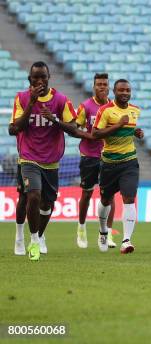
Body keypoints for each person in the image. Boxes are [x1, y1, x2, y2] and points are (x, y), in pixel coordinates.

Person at [10, 61, 78, 261]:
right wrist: (31, 103)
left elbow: (73, 129)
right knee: (31, 196)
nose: (39, 80)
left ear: (49, 78)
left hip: (51, 160)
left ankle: (39, 235)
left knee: (47, 204)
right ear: (29, 79)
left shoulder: (61, 100)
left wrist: (55, 120)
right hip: (28, 157)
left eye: (43, 77)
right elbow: (14, 129)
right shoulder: (22, 98)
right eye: (35, 77)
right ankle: (25, 239)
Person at [93, 79, 143, 254]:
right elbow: (95, 134)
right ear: (114, 91)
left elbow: (129, 130)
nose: (125, 93)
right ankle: (103, 231)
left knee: (129, 198)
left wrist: (136, 132)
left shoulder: (135, 110)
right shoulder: (105, 111)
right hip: (109, 163)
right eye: (121, 90)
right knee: (105, 200)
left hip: (129, 161)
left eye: (128, 90)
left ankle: (126, 240)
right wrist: (118, 125)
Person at [75, 73, 116, 249]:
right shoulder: (85, 106)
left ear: (108, 87)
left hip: (109, 155)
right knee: (87, 193)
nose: (102, 87)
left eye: (105, 84)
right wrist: (89, 135)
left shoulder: (114, 107)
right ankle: (81, 228)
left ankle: (108, 233)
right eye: (99, 84)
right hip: (89, 156)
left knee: (110, 195)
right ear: (94, 86)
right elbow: (74, 129)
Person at [8, 123, 27, 256]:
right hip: (26, 161)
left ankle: (38, 235)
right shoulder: (21, 105)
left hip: (47, 161)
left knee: (45, 201)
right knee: (25, 197)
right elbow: (12, 129)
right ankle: (19, 237)